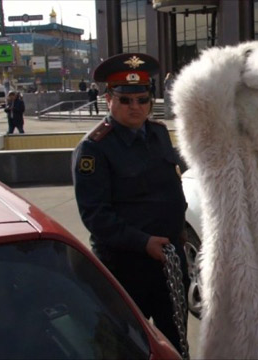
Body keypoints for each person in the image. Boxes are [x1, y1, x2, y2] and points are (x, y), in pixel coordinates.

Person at [71, 53, 189, 352]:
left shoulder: (159, 134)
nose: (136, 107)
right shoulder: (94, 149)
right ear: (108, 99)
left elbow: (172, 186)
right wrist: (143, 242)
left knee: (174, 340)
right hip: (126, 265)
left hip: (170, 260)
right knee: (125, 344)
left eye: (142, 99)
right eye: (126, 100)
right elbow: (96, 216)